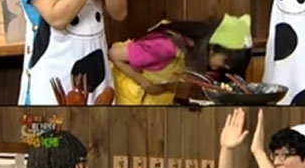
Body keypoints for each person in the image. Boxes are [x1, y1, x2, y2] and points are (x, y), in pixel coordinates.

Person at [108, 13, 253, 104]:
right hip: (129, 93)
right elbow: (113, 54)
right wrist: (144, 83)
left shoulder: (190, 49)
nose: (224, 68)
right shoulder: (166, 47)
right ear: (213, 47)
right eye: (226, 63)